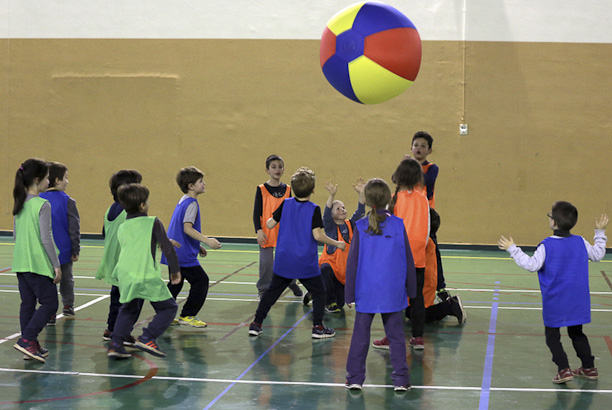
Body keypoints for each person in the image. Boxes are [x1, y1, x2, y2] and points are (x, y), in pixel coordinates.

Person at [498, 201, 607, 384]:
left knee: (552, 335)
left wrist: (513, 249)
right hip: (577, 300)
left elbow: (532, 265)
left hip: (555, 300)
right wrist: (600, 232)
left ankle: (564, 369)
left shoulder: (546, 246)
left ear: (554, 222)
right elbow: (598, 254)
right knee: (577, 333)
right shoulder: (580, 241)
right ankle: (589, 367)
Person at [248, 167, 346, 339]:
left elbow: (270, 224)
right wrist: (337, 243)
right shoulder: (313, 209)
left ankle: (256, 323)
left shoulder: (285, 204)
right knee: (319, 293)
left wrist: (271, 221)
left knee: (271, 293)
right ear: (313, 190)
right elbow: (317, 235)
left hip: (284, 260)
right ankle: (318, 327)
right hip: (304, 263)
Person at [344, 178, 416, 391]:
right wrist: (411, 290)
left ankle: (355, 378)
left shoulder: (360, 226)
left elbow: (353, 262)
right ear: (389, 199)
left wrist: (349, 294)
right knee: (395, 338)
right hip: (392, 291)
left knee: (360, 337)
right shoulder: (398, 224)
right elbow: (408, 259)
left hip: (367, 291)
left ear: (366, 200)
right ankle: (401, 380)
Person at [107, 183, 181, 359]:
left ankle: (116, 344)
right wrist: (175, 270)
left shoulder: (122, 226)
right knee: (168, 308)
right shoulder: (153, 221)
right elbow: (167, 248)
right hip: (144, 273)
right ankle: (148, 337)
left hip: (125, 273)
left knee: (129, 308)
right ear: (142, 205)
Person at [12, 159, 61, 362]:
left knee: (28, 304)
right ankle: (27, 340)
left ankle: (30, 345)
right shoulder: (42, 204)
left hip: (20, 262)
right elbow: (45, 237)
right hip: (38, 264)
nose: (49, 181)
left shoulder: (20, 203)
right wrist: (56, 265)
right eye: (47, 177)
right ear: (37, 179)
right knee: (50, 303)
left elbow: (15, 235)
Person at [162, 166, 221, 328]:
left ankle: (163, 313)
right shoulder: (192, 204)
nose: (204, 183)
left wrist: (197, 245)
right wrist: (207, 241)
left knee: (176, 282)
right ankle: (188, 314)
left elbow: (181, 229)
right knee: (201, 281)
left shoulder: (182, 201)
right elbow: (187, 228)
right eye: (200, 181)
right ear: (191, 186)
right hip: (182, 255)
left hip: (174, 252)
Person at [303, 179, 365, 312]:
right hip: (330, 269)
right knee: (325, 270)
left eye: (343, 207)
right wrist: (332, 196)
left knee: (341, 303)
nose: (342, 209)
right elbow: (325, 215)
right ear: (332, 215)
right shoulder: (330, 227)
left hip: (342, 273)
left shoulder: (351, 225)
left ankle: (313, 293)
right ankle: (328, 302)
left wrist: (361, 194)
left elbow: (360, 212)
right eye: (338, 208)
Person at [387, 158, 430, 350]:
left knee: (394, 296)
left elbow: (389, 226)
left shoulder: (396, 199)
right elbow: (427, 229)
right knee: (417, 297)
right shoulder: (423, 198)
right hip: (418, 255)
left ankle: (391, 338)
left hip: (398, 254)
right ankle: (418, 337)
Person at [96, 169, 143, 344]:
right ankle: (122, 332)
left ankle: (111, 329)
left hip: (113, 262)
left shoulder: (111, 209)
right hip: (126, 263)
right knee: (133, 300)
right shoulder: (130, 212)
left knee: (117, 298)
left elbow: (104, 233)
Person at [253, 154, 302, 299]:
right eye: (273, 167)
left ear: (284, 169)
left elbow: (291, 210)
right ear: (267, 170)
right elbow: (256, 213)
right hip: (267, 231)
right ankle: (263, 288)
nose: (277, 169)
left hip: (284, 232)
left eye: (280, 167)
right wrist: (259, 230)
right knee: (266, 263)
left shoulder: (287, 189)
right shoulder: (261, 189)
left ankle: (291, 282)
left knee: (288, 260)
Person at [40, 161, 80, 322]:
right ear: (57, 180)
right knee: (66, 278)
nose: (67, 181)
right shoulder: (68, 201)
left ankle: (49, 312)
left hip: (43, 250)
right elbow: (74, 227)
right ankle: (68, 305)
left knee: (47, 280)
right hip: (63, 250)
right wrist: (75, 249)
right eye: (66, 178)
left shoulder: (37, 199)